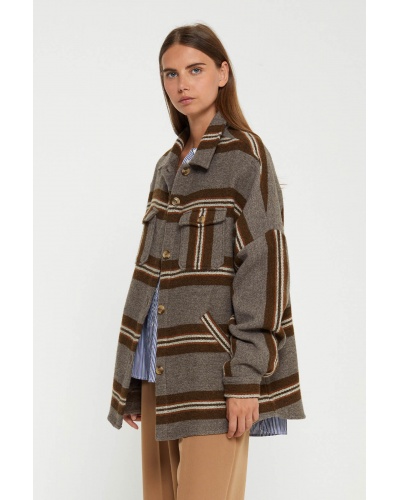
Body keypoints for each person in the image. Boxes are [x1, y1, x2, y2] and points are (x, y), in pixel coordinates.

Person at [107, 23, 306, 500]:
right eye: (170, 74)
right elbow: (152, 275)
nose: (182, 84)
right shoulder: (167, 165)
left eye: (195, 70)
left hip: (215, 374)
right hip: (157, 370)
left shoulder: (246, 157)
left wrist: (246, 379)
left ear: (222, 73)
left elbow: (265, 270)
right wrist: (131, 377)